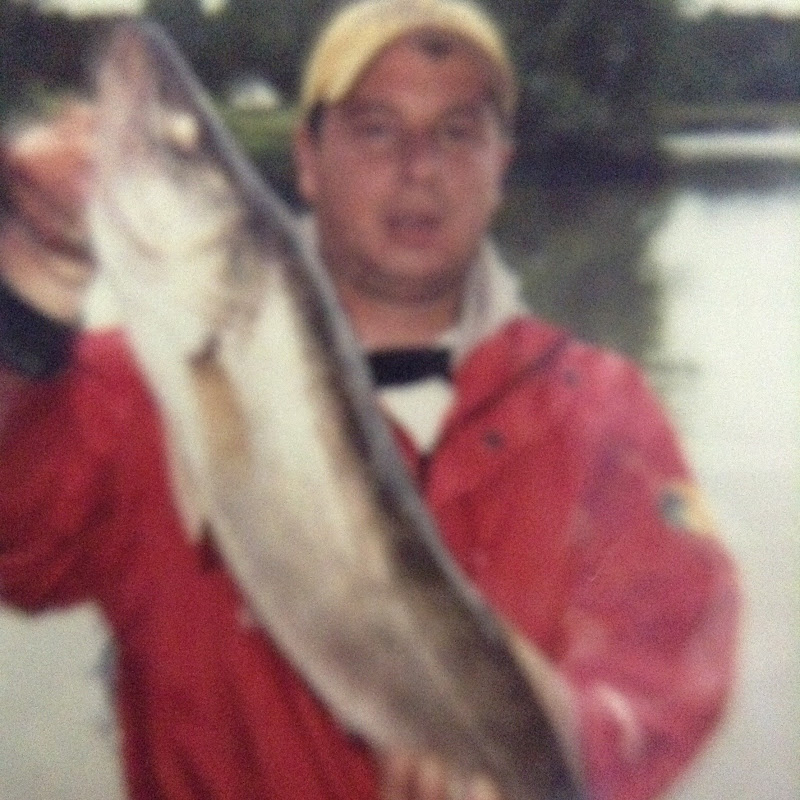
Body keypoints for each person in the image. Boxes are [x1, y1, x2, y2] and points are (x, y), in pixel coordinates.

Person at [0, 1, 740, 799]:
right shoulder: (132, 388)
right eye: (378, 129)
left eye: (458, 131)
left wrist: (555, 732)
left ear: (502, 164)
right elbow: (21, 540)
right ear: (309, 160)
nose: (421, 166)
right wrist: (33, 283)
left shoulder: (599, 406)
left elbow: (674, 650)